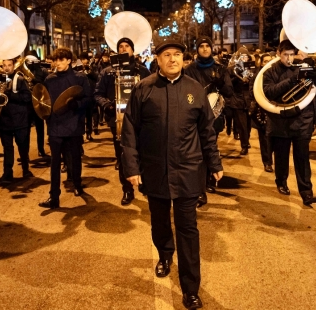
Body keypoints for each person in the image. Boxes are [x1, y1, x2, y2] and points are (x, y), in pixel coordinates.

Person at [121, 39, 223, 310]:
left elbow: (207, 132)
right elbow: (129, 131)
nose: (173, 59)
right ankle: (165, 254)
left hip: (188, 170)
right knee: (160, 221)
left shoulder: (194, 90)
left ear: (183, 59)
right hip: (154, 170)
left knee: (188, 229)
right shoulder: (144, 89)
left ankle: (190, 287)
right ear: (158, 60)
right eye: (167, 55)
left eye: (177, 55)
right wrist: (131, 168)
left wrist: (214, 163)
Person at [263, 40, 316, 205]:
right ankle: (281, 181)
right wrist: (292, 80)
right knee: (282, 156)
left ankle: (306, 191)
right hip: (280, 120)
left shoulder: (302, 67)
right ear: (279, 53)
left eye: (292, 54)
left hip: (302, 120)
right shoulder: (270, 71)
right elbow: (270, 92)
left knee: (302, 158)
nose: (289, 58)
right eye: (286, 55)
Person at [94, 38, 150, 205]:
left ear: (133, 50)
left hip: (141, 120)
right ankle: (127, 189)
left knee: (145, 153)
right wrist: (108, 105)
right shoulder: (108, 72)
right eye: (121, 47)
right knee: (123, 156)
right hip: (118, 120)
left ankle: (145, 184)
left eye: (127, 46)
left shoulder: (142, 71)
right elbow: (97, 94)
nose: (124, 49)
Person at [40, 48, 93, 209]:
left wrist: (76, 104)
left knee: (75, 159)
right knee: (55, 163)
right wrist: (45, 114)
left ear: (69, 60)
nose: (58, 63)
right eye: (56, 60)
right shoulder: (49, 79)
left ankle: (77, 184)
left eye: (62, 60)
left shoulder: (80, 78)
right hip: (55, 126)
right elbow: (44, 101)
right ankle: (54, 197)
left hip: (74, 124)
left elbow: (89, 99)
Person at [185, 37, 233, 204]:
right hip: (194, 115)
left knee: (210, 147)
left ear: (212, 48)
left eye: (207, 46)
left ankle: (207, 180)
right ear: (197, 49)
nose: (205, 49)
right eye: (201, 46)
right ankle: (200, 189)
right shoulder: (190, 69)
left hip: (215, 116)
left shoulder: (221, 68)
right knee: (197, 151)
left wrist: (220, 80)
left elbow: (229, 92)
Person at [0, 59, 33, 184]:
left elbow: (27, 97)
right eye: (4, 65)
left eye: (9, 65)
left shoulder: (20, 79)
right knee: (7, 148)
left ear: (13, 66)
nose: (6, 68)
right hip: (5, 121)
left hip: (19, 120)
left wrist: (10, 94)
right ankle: (7, 173)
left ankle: (26, 169)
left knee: (22, 146)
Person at [227, 47, 252, 155]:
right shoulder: (232, 69)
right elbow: (228, 84)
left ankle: (247, 139)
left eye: (246, 56)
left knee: (249, 124)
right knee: (241, 125)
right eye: (242, 57)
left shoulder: (251, 68)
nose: (244, 58)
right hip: (237, 99)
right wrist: (238, 78)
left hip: (249, 99)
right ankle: (244, 145)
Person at [249, 54, 272, 172]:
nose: (267, 63)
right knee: (264, 138)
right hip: (261, 110)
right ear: (261, 63)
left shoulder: (275, 74)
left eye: (269, 61)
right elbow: (251, 91)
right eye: (265, 61)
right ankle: (267, 162)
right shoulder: (257, 76)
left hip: (274, 110)